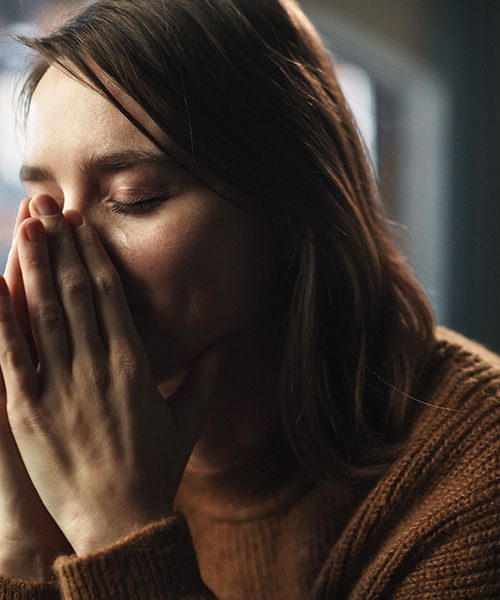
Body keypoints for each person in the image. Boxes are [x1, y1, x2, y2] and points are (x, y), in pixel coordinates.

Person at [0, 0, 498, 598]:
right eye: (43, 204)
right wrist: (24, 546)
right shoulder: (43, 439)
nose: (67, 258)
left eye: (135, 197)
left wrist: (119, 528)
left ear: (289, 207)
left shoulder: (474, 475)